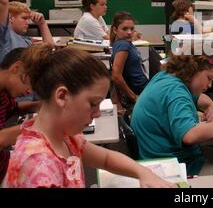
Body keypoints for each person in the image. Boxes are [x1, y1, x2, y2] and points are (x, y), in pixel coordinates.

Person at [4, 43, 174, 188]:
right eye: (93, 104)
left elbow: (107, 158)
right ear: (62, 96)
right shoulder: (38, 165)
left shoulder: (63, 137)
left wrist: (143, 172)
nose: (98, 113)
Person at [131, 52, 213, 176]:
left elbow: (197, 97)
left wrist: (210, 105)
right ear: (194, 69)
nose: (210, 85)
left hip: (157, 155)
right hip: (174, 167)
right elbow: (190, 135)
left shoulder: (166, 77)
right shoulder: (176, 92)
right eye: (209, 78)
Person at [0, 48, 41, 184]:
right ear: (16, 68)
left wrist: (41, 105)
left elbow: (15, 108)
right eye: (29, 83)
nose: (29, 91)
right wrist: (43, 123)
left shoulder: (4, 93)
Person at [110, 11, 151, 111]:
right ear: (115, 30)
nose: (129, 32)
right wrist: (134, 97)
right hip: (138, 94)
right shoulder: (123, 45)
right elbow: (116, 75)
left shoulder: (124, 43)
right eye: (124, 29)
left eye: (132, 29)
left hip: (143, 90)